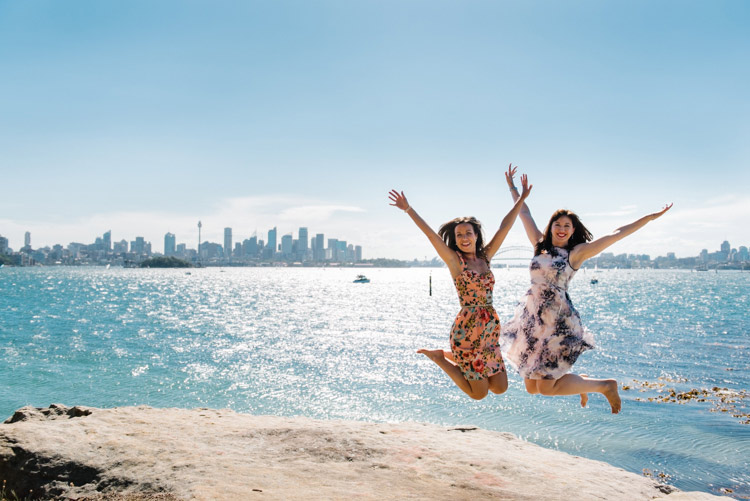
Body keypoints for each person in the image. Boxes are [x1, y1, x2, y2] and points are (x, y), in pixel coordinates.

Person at [501, 164, 672, 413]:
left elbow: (616, 234)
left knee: (547, 388)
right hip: (531, 319)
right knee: (531, 387)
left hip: (556, 320)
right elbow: (524, 213)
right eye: (557, 224)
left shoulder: (576, 253)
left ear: (573, 231)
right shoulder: (540, 245)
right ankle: (582, 385)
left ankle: (604, 386)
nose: (561, 229)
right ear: (551, 227)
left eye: (567, 226)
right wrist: (513, 189)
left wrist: (649, 218)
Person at [388, 174, 532, 400]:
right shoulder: (456, 262)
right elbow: (431, 236)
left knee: (500, 387)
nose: (464, 238)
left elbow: (505, 226)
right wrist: (409, 209)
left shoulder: (486, 257)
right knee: (479, 393)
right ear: (454, 240)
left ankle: (453, 356)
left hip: (489, 329)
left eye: (468, 233)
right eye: (459, 235)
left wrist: (520, 198)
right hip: (467, 330)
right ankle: (441, 359)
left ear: (476, 235)